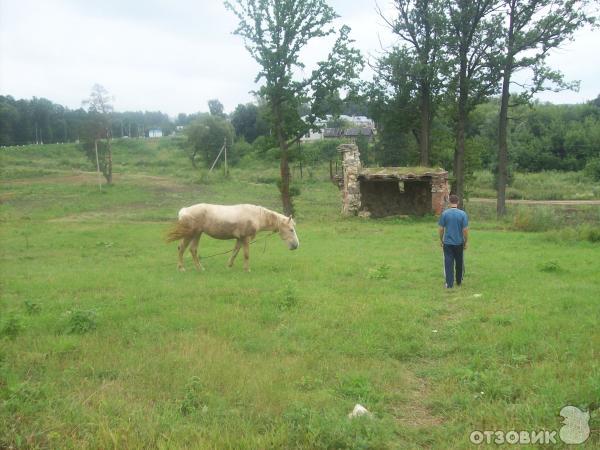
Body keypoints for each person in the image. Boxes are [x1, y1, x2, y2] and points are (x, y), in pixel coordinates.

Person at [438, 194, 469, 288]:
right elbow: (465, 230)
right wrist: (465, 241)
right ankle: (459, 281)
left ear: (449, 202)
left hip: (447, 242)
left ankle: (449, 283)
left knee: (448, 262)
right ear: (458, 202)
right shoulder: (463, 214)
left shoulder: (444, 214)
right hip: (459, 242)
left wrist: (441, 239)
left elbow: (441, 229)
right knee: (459, 262)